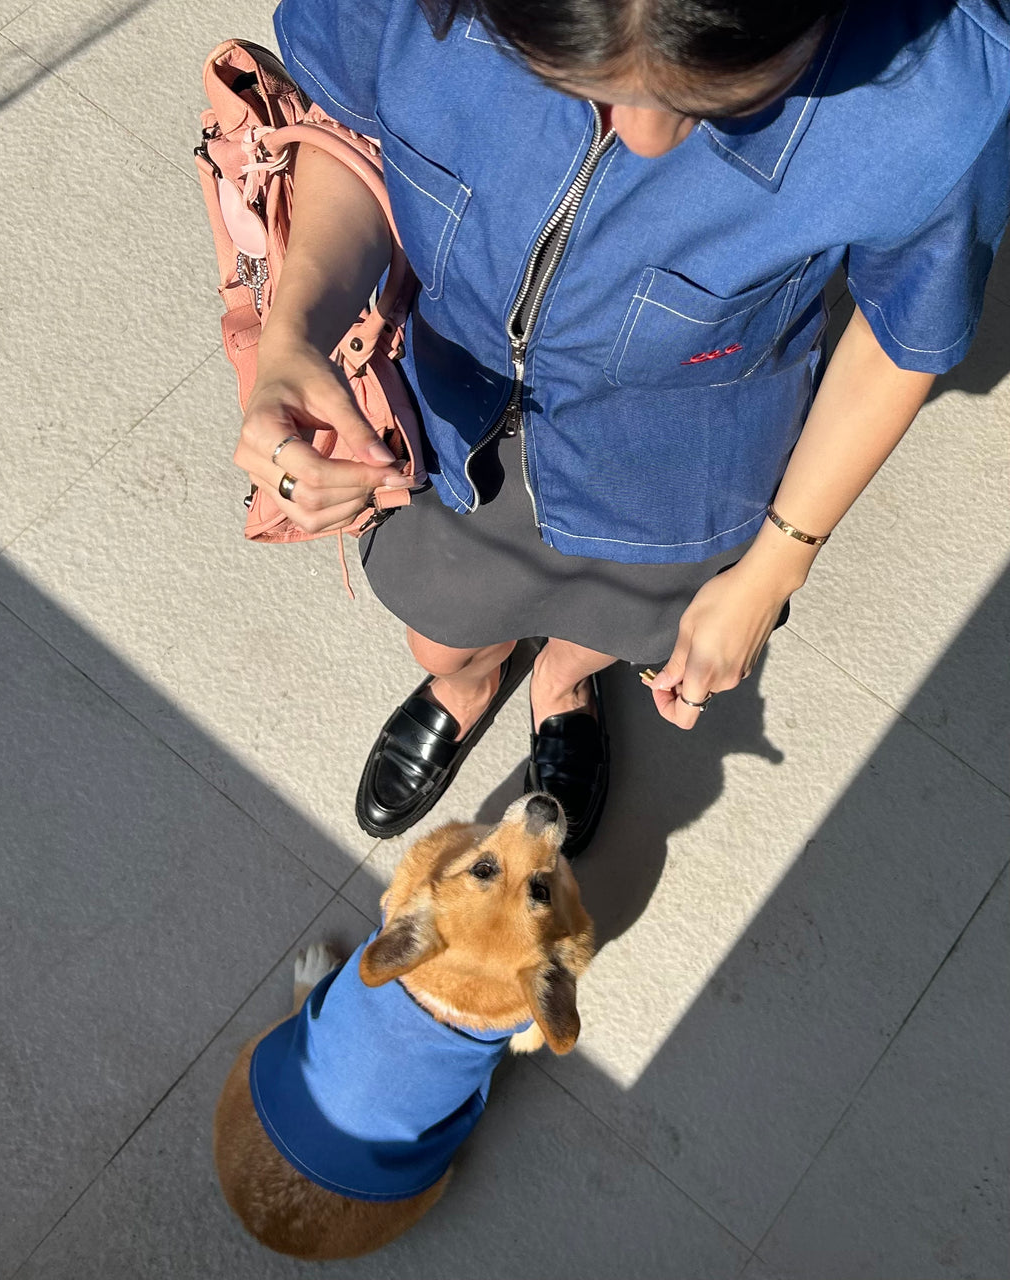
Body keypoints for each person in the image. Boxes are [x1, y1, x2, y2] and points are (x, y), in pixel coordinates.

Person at [233, 0, 1010, 856]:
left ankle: (563, 684)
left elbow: (897, 341)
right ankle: (471, 677)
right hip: (451, 419)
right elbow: (350, 124)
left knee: (604, 632)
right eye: (575, 79)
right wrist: (293, 335)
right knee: (440, 633)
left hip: (686, 467)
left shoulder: (944, 76)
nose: (642, 138)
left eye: (719, 97)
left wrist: (772, 571)